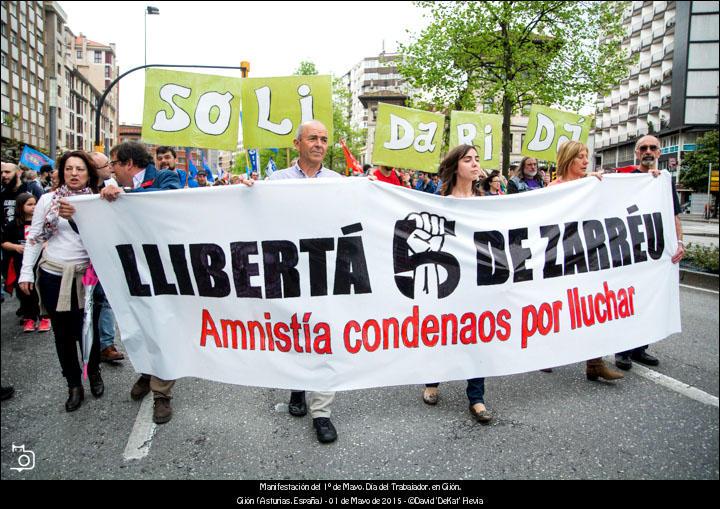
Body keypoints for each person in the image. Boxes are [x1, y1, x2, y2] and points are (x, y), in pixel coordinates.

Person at [60, 141, 182, 422]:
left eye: (113, 164)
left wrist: (128, 195)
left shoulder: (164, 176)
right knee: (139, 325)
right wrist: (75, 217)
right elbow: (97, 225)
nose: (111, 170)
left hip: (163, 267)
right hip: (133, 269)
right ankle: (148, 371)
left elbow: (171, 197)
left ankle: (161, 394)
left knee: (163, 325)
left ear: (128, 163)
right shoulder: (110, 189)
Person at [268, 120, 341, 444]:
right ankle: (297, 384)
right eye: (313, 138)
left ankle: (322, 412)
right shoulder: (276, 181)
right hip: (288, 270)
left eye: (324, 139)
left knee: (326, 334)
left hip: (326, 270)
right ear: (297, 143)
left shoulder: (340, 183)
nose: (319, 144)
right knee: (295, 331)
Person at [18, 151, 102, 412]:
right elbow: (35, 237)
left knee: (88, 330)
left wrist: (76, 217)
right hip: (54, 275)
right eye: (69, 169)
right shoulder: (46, 200)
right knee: (63, 334)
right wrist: (26, 272)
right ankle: (74, 384)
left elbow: (103, 237)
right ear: (62, 173)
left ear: (89, 173)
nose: (74, 174)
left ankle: (94, 372)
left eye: (80, 169)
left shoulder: (97, 200)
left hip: (86, 276)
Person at [422, 144, 493, 424]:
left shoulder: (488, 201)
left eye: (477, 159)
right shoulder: (437, 200)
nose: (475, 164)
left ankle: (476, 397)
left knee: (478, 334)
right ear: (455, 167)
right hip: (445, 278)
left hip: (477, 279)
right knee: (441, 330)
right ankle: (432, 381)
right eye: (468, 160)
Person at [545, 141, 624, 381]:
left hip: (588, 256)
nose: (585, 161)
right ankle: (545, 353)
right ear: (568, 159)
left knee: (592, 307)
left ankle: (595, 363)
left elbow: (628, 186)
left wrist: (653, 178)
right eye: (580, 156)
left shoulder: (591, 184)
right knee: (558, 307)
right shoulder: (553, 189)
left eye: (586, 156)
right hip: (562, 258)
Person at [615, 135, 685, 371]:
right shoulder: (625, 180)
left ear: (659, 153)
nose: (648, 151)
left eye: (652, 148)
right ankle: (622, 350)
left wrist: (680, 242)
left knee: (648, 300)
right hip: (630, 252)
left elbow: (674, 214)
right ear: (636, 153)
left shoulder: (664, 182)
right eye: (643, 148)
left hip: (654, 253)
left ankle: (639, 348)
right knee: (629, 301)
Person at [87, 151, 123, 363]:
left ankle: (106, 344)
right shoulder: (77, 192)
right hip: (84, 260)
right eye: (105, 165)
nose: (110, 168)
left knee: (106, 298)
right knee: (88, 303)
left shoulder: (111, 187)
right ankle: (89, 345)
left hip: (106, 256)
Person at [1, 193, 51, 333]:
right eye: (29, 204)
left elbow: (51, 236)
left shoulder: (43, 222)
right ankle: (29, 317)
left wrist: (46, 244)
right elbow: (4, 242)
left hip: (41, 262)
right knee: (25, 290)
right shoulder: (13, 224)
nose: (33, 207)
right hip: (20, 262)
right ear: (20, 207)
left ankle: (44, 316)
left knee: (42, 288)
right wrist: (16, 247)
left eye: (35, 204)